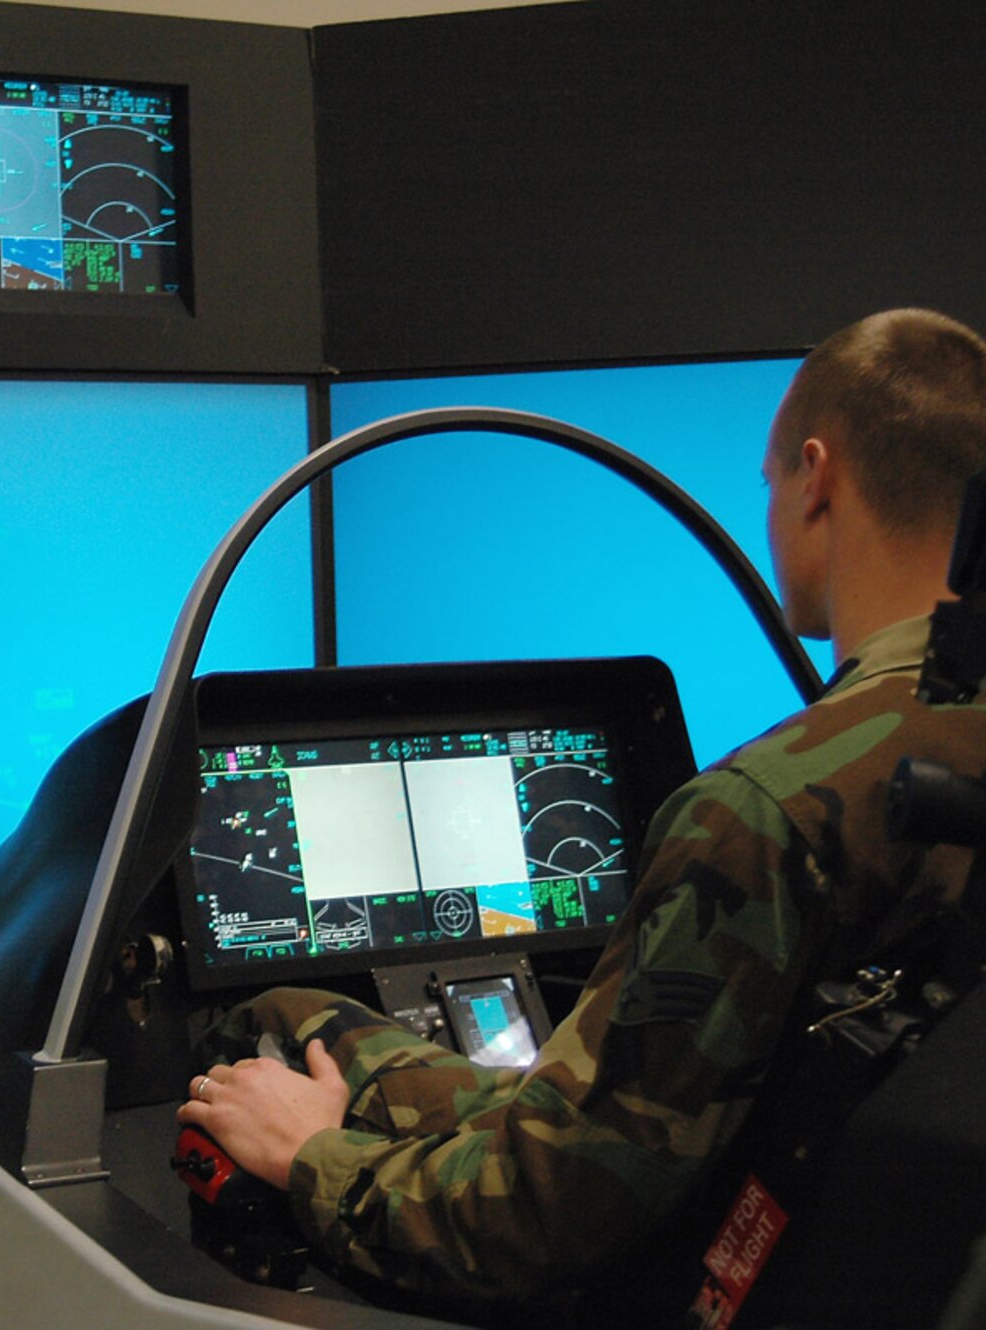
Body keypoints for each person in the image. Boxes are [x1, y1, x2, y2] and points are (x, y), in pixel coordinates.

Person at [177, 308, 986, 1307]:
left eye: (770, 484)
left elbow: (547, 1214)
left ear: (815, 475)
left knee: (252, 1040)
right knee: (293, 1013)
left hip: (724, 1262)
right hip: (891, 1245)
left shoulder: (760, 812)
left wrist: (311, 1154)